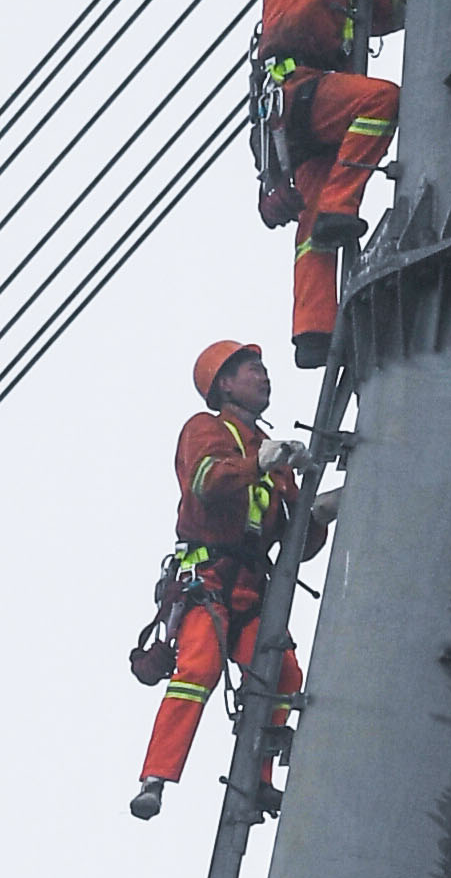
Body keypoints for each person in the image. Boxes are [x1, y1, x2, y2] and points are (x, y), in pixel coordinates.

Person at [133, 344, 315, 822]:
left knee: (284, 675)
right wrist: (263, 463)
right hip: (208, 582)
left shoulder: (267, 452)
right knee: (197, 669)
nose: (264, 376)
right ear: (224, 384)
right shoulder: (206, 429)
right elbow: (206, 482)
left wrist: (320, 511)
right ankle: (156, 777)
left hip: (252, 589)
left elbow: (297, 537)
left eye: (263, 369)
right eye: (251, 370)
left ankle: (260, 782)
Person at [258, 0, 404, 364]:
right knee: (380, 100)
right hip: (299, 88)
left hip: (303, 104)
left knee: (313, 225)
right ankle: (344, 206)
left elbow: (389, 11)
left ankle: (313, 331)